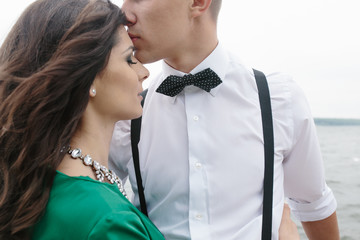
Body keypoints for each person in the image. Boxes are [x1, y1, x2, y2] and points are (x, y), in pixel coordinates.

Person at [109, 0, 340, 239]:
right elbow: (87, 201)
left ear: (198, 2)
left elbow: (313, 204)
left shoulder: (278, 99)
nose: (124, 13)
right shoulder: (127, 113)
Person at [0, 0, 165, 239]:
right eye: (129, 59)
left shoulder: (32, 184)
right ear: (89, 79)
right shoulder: (109, 221)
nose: (144, 71)